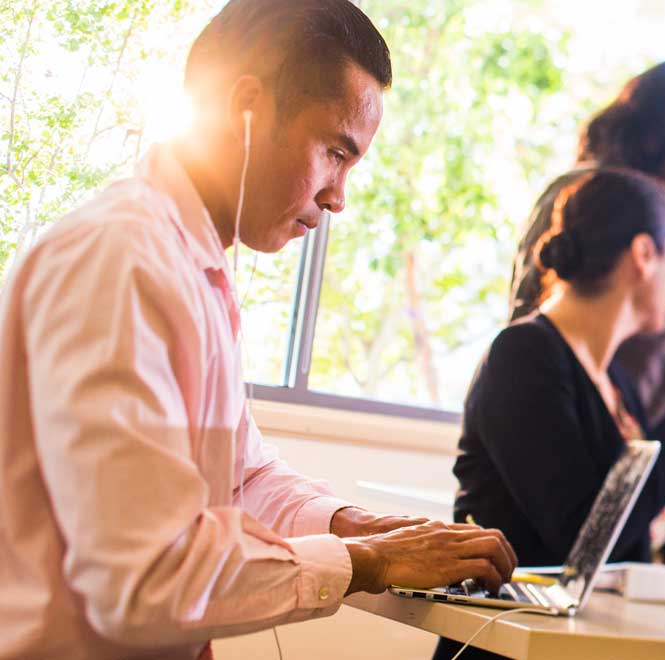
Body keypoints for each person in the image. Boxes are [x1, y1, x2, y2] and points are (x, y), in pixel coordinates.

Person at [0, 2, 516, 658]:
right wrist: (368, 560)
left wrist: (358, 524)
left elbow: (240, 475)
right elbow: (142, 578)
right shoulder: (123, 260)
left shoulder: (194, 266)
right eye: (335, 153)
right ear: (245, 106)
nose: (339, 198)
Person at [433, 169, 665, 660]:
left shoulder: (616, 382)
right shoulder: (524, 355)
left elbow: (637, 543)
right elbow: (584, 538)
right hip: (511, 647)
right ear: (644, 255)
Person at [510, 60, 665, 426]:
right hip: (569, 432)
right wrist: (660, 300)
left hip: (628, 444)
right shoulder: (581, 197)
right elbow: (535, 323)